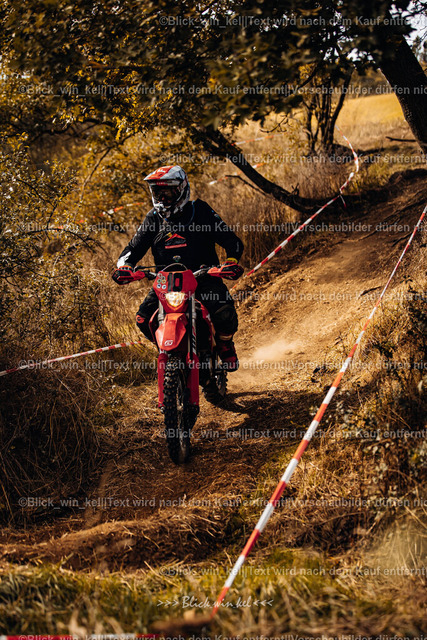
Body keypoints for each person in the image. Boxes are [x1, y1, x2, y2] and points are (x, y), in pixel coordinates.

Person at [112, 165, 244, 370]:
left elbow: (231, 241)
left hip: (203, 277)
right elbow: (133, 248)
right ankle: (169, 348)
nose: (162, 198)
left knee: (224, 313)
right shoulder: (153, 218)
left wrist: (231, 261)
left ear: (182, 189)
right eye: (158, 192)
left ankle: (225, 344)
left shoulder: (200, 211)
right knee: (143, 319)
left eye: (168, 192)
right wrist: (125, 266)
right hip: (166, 284)